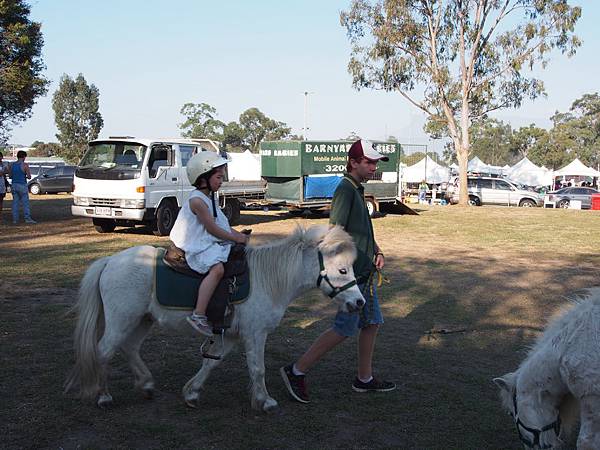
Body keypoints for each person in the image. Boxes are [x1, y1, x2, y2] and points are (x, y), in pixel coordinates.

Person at [280, 139, 396, 403]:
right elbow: (335, 232)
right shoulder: (345, 190)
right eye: (368, 162)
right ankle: (296, 371)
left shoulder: (357, 188)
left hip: (364, 273)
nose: (373, 166)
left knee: (373, 322)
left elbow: (363, 228)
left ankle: (364, 379)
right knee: (345, 328)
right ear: (353, 162)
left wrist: (376, 250)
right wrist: (342, 272)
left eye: (375, 162)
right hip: (352, 278)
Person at [169, 151, 249, 337]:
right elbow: (212, 229)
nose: (222, 181)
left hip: (203, 241)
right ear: (203, 177)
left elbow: (223, 226)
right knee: (218, 269)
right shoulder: (197, 200)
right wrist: (236, 238)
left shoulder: (209, 198)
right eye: (219, 177)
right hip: (192, 245)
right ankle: (198, 314)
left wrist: (242, 237)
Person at [8, 150, 36, 224]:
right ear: (24, 157)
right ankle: (27, 218)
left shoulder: (12, 165)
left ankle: (15, 219)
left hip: (14, 184)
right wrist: (26, 176)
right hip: (22, 185)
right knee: (25, 203)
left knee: (15, 203)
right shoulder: (25, 165)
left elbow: (10, 176)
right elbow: (29, 176)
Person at [0, 152, 7, 221]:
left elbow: (7, 172)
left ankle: (0, 216)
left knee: (1, 201)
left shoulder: (3, 164)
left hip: (2, 185)